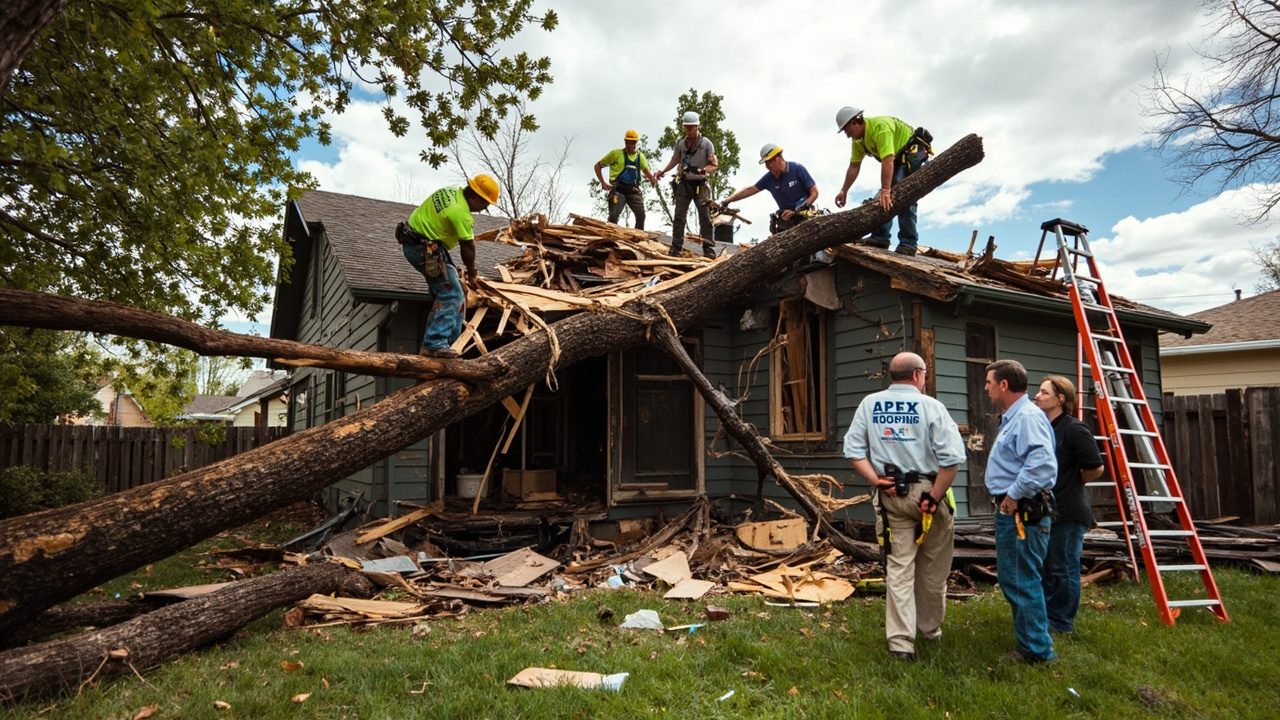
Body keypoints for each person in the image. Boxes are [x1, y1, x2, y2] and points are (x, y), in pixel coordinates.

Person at [843, 352, 965, 662]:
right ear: (917, 376)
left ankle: (900, 643)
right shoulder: (932, 407)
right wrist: (935, 497)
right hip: (928, 492)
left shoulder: (870, 405)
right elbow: (952, 460)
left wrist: (875, 480)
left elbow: (853, 450)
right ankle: (930, 631)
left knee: (898, 568)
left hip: (892, 495)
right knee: (934, 569)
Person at [983, 359, 1059, 663]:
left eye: (989, 382)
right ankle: (1033, 642)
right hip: (1015, 510)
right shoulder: (1015, 417)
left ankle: (1036, 651)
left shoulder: (1027, 417)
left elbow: (1042, 465)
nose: (986, 388)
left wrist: (1013, 495)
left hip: (1022, 513)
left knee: (1020, 579)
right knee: (1018, 577)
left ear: (1004, 384)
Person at [396, 174, 500, 358]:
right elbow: (467, 247)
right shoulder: (460, 213)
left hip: (418, 242)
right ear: (475, 197)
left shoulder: (451, 191)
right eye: (485, 205)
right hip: (424, 247)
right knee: (450, 292)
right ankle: (434, 343)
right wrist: (473, 273)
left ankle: (449, 344)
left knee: (456, 291)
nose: (484, 210)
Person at [1033, 375, 1105, 634]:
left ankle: (1062, 623)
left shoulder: (1073, 428)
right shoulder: (1042, 427)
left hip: (1069, 511)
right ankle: (1047, 618)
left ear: (1061, 399)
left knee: (1064, 569)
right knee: (1047, 568)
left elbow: (1095, 467)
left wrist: (1072, 482)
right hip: (1045, 512)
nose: (1037, 396)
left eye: (1044, 392)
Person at [833, 106, 932, 257]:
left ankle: (908, 243)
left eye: (846, 130)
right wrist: (844, 190)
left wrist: (886, 190)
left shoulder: (880, 128)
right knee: (883, 198)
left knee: (905, 197)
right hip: (896, 157)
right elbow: (854, 166)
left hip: (911, 152)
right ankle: (880, 238)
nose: (847, 136)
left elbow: (887, 160)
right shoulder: (858, 141)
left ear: (854, 122)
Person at [655, 111, 718, 257]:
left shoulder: (706, 144)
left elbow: (714, 164)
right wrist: (663, 171)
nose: (689, 130)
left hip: (700, 186)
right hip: (684, 185)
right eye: (687, 127)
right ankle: (676, 247)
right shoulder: (681, 144)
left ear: (696, 126)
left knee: (705, 217)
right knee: (679, 217)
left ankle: (708, 247)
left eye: (691, 127)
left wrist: (704, 170)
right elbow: (675, 159)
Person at [720, 143, 819, 235]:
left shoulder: (797, 169)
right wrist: (727, 200)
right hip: (785, 221)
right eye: (766, 164)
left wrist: (798, 210)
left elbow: (814, 192)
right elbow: (750, 190)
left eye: (768, 163)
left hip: (804, 215)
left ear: (777, 158)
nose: (767, 167)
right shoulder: (769, 179)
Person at [595, 129, 658, 230]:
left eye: (632, 142)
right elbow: (598, 166)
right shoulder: (615, 154)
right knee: (613, 217)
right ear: (625, 141)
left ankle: (637, 238)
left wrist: (652, 179)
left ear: (636, 143)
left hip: (633, 191)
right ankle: (610, 237)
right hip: (618, 189)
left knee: (641, 215)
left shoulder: (640, 157)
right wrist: (603, 182)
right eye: (627, 142)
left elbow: (646, 172)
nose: (629, 145)